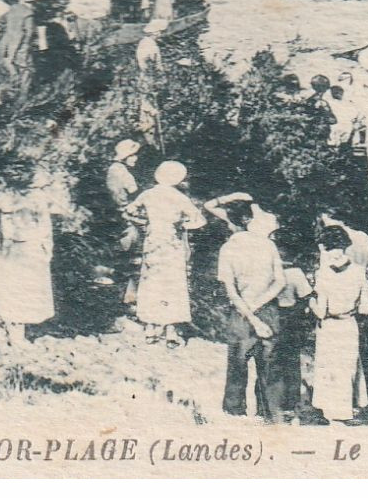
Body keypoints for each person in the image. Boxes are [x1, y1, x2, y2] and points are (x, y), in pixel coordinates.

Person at [0, 170, 70, 348]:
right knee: (15, 291)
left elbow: (45, 226)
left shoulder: (17, 196)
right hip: (18, 249)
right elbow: (45, 227)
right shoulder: (18, 196)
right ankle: (12, 334)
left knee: (22, 291)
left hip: (22, 249)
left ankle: (15, 332)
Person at [124, 161, 206, 346]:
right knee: (172, 285)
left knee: (151, 283)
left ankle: (151, 328)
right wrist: (183, 225)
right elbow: (200, 220)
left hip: (152, 242)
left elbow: (128, 212)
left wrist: (144, 224)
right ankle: (170, 330)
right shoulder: (179, 197)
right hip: (172, 244)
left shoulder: (148, 194)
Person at [218, 208, 287, 421]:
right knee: (270, 364)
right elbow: (280, 282)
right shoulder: (269, 245)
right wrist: (260, 305)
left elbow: (230, 291)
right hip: (267, 309)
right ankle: (270, 413)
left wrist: (250, 313)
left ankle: (234, 412)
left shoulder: (228, 248)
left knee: (237, 365)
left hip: (241, 312)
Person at [311, 225, 365, 423]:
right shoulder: (359, 271)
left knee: (329, 367)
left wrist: (309, 299)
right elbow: (365, 307)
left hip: (330, 325)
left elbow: (321, 311)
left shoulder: (324, 273)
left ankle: (330, 411)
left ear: (327, 247)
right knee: (347, 366)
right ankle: (346, 409)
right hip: (350, 324)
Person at [271, 225, 316, 422]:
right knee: (291, 362)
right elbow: (307, 296)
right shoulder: (296, 272)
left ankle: (269, 403)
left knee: (271, 362)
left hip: (273, 317)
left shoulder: (270, 269)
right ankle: (290, 403)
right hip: (291, 319)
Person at [105, 139, 145, 306]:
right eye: (134, 155)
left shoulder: (112, 169)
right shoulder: (123, 173)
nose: (136, 159)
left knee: (121, 257)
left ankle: (124, 297)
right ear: (126, 156)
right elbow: (134, 194)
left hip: (114, 215)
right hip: (125, 217)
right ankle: (128, 298)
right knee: (132, 257)